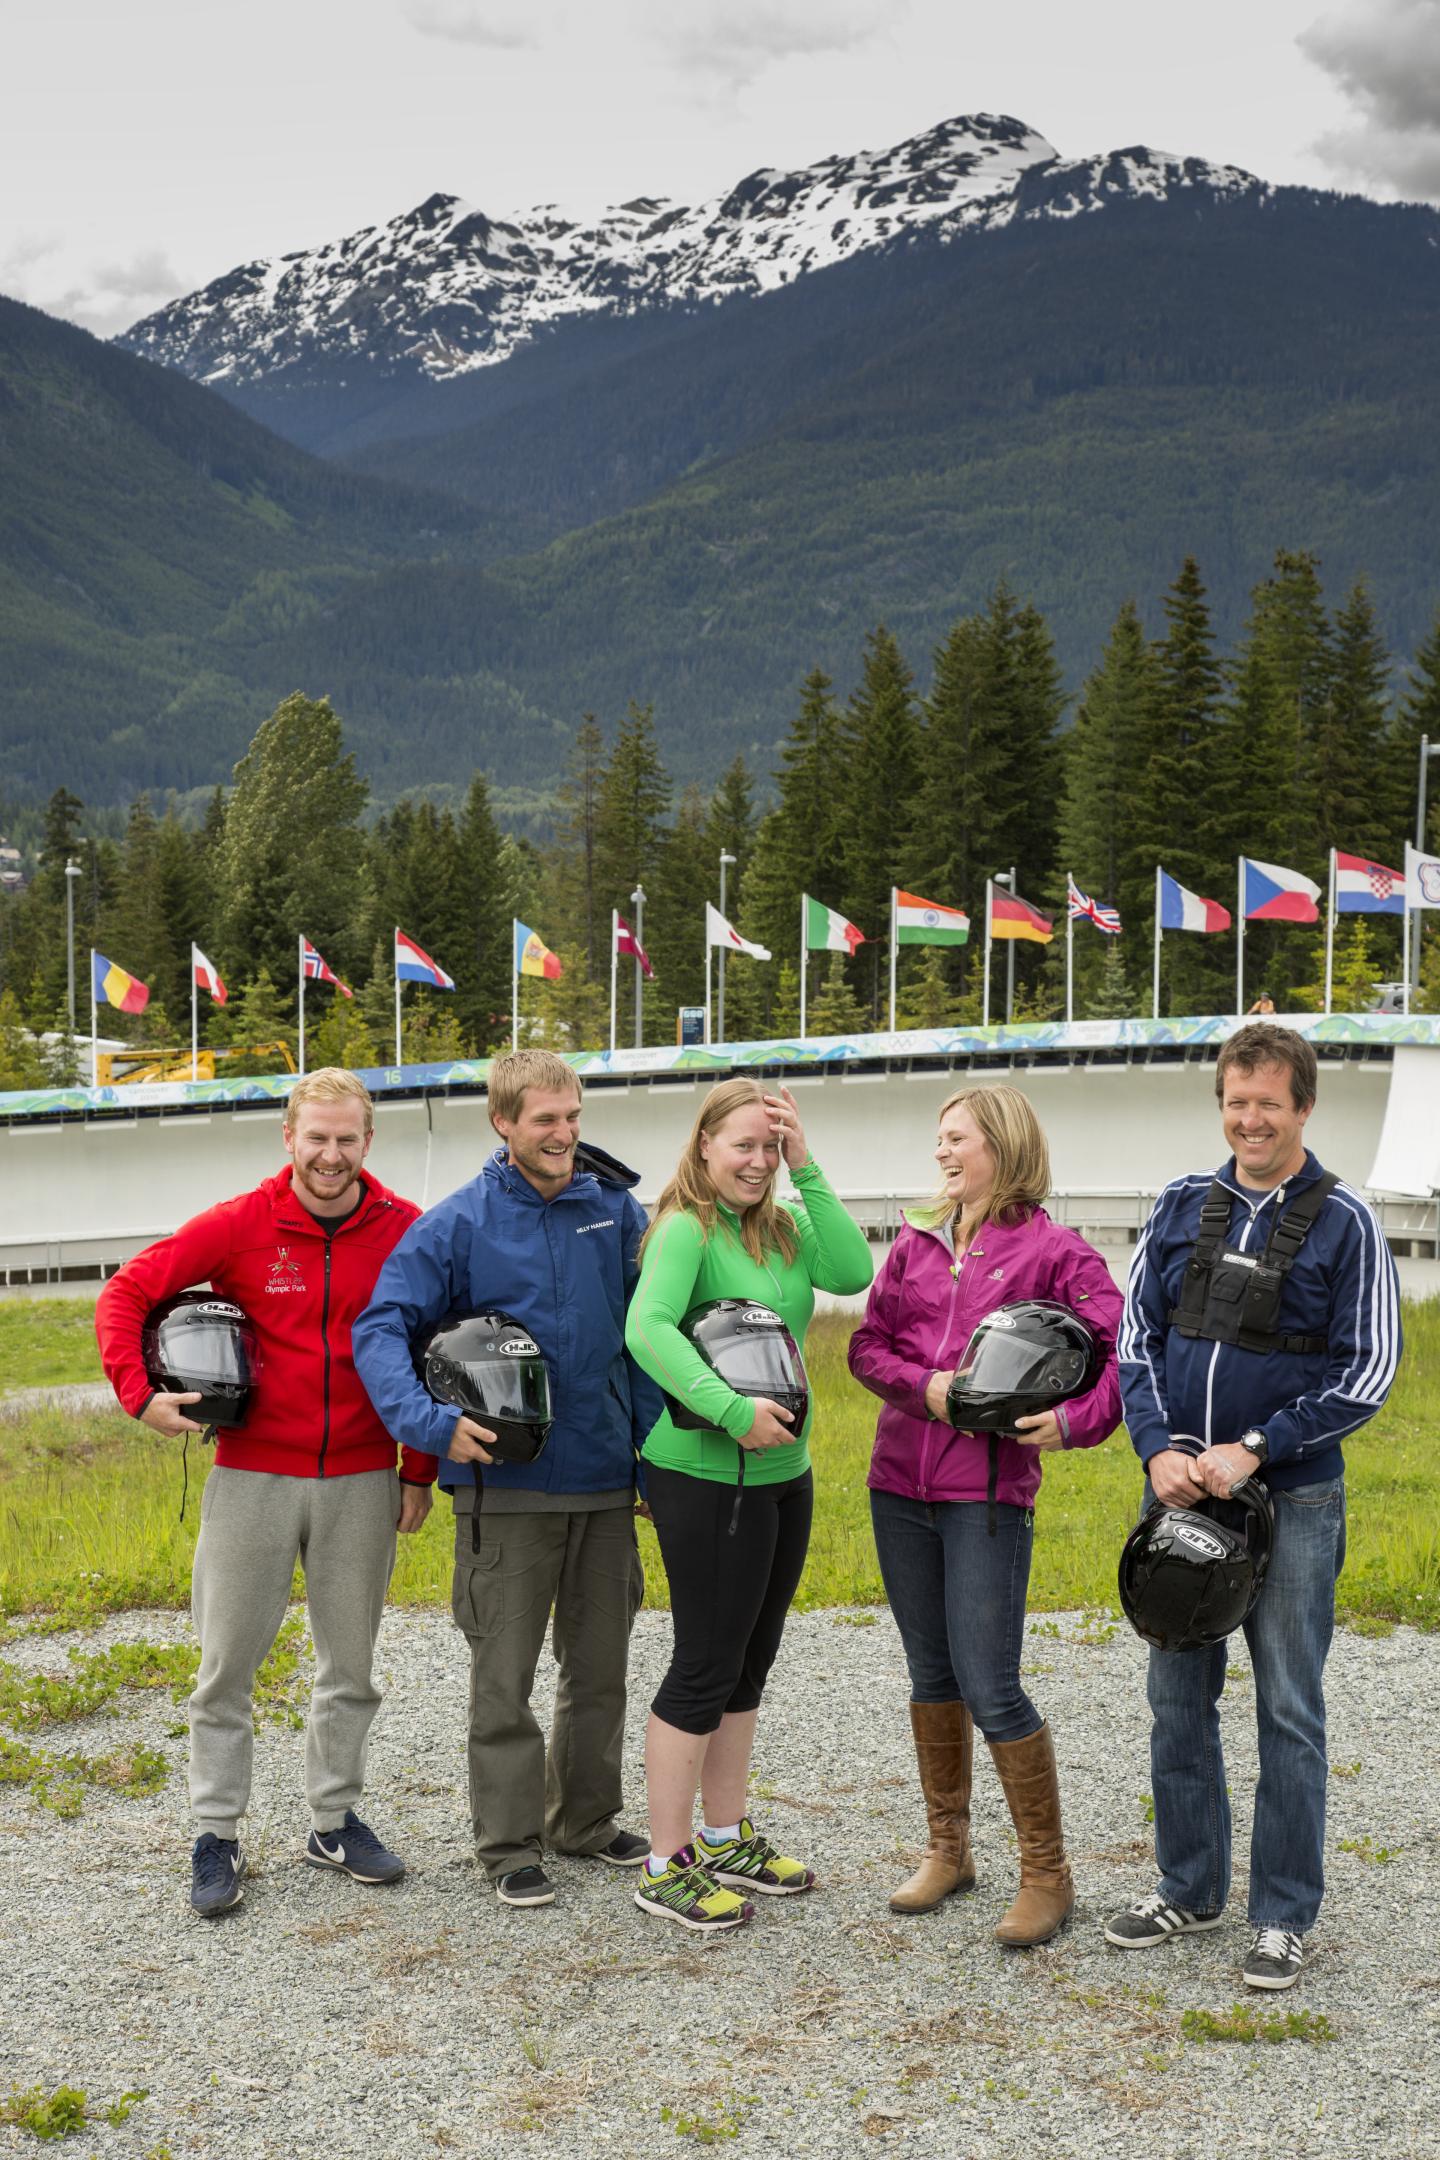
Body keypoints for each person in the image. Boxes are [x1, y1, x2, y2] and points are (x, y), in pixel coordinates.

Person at [95, 1068, 434, 1918]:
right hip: (251, 1475)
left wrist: (419, 1469)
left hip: (362, 1474)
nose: (330, 1154)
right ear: (288, 1138)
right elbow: (126, 1292)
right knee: (226, 1667)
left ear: (367, 1142)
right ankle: (217, 1834)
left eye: (346, 1138)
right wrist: (141, 1394)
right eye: (315, 1137)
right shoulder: (241, 1225)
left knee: (349, 1667)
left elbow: (432, 1346)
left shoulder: (403, 1231)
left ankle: (332, 1821)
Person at [1106, 1021, 1401, 1990]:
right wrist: (1157, 1450)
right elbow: (1133, 1338)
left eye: (1267, 1104)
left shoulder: (1347, 1223)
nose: (1249, 1120)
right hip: (1182, 1497)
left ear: (1303, 1107)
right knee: (1175, 1700)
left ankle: (1281, 1915)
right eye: (1236, 1103)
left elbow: (1371, 1369)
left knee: (1289, 1706)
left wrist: (1258, 1448)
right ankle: (1188, 1888)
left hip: (1291, 1505)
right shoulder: (1183, 1203)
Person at [352, 1049, 661, 1910]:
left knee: (599, 1670)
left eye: (571, 1117)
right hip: (504, 1488)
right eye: (544, 1121)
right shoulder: (458, 1224)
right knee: (505, 1675)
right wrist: (428, 1425)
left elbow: (649, 1335)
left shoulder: (615, 1209)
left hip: (605, 1479)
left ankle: (584, 1822)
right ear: (503, 1123)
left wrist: (649, 1449)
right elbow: (381, 1328)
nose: (563, 1134)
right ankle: (508, 1843)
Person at [848, 1083, 1123, 1947]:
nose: (942, 1152)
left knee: (991, 1684)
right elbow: (866, 1346)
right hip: (898, 1486)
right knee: (932, 1676)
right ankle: (950, 1850)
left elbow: (1120, 1360)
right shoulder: (917, 1243)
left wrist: (1074, 1422)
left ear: (1000, 1145)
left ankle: (1047, 1874)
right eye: (938, 1138)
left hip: (987, 1498)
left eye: (956, 1138)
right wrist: (924, 1388)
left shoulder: (1057, 1252)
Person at [623, 1078, 873, 1931]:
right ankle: (664, 1861)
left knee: (748, 1663)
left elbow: (852, 1270)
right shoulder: (685, 1228)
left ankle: (724, 1833)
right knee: (702, 1662)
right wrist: (730, 1410)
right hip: (703, 1473)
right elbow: (648, 1328)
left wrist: (807, 1168)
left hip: (781, 1473)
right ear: (703, 1148)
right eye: (744, 1146)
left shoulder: (784, 1225)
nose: (757, 1161)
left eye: (770, 1147)